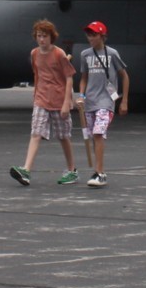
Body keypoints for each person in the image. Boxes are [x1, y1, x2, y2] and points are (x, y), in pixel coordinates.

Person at [9, 20, 78, 186]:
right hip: (41, 99)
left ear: (51, 37)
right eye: (39, 36)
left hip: (59, 99)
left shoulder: (59, 54)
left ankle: (72, 170)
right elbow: (37, 75)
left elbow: (69, 77)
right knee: (36, 132)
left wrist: (67, 103)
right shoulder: (34, 54)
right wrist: (35, 96)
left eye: (45, 36)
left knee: (63, 137)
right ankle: (26, 169)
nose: (41, 39)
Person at [73, 21, 130, 188]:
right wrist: (81, 95)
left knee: (98, 133)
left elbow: (124, 76)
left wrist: (124, 100)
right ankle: (98, 171)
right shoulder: (85, 55)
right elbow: (83, 78)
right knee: (93, 135)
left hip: (106, 101)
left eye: (94, 34)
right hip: (90, 101)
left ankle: (99, 172)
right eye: (89, 35)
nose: (90, 38)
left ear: (102, 36)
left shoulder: (112, 54)